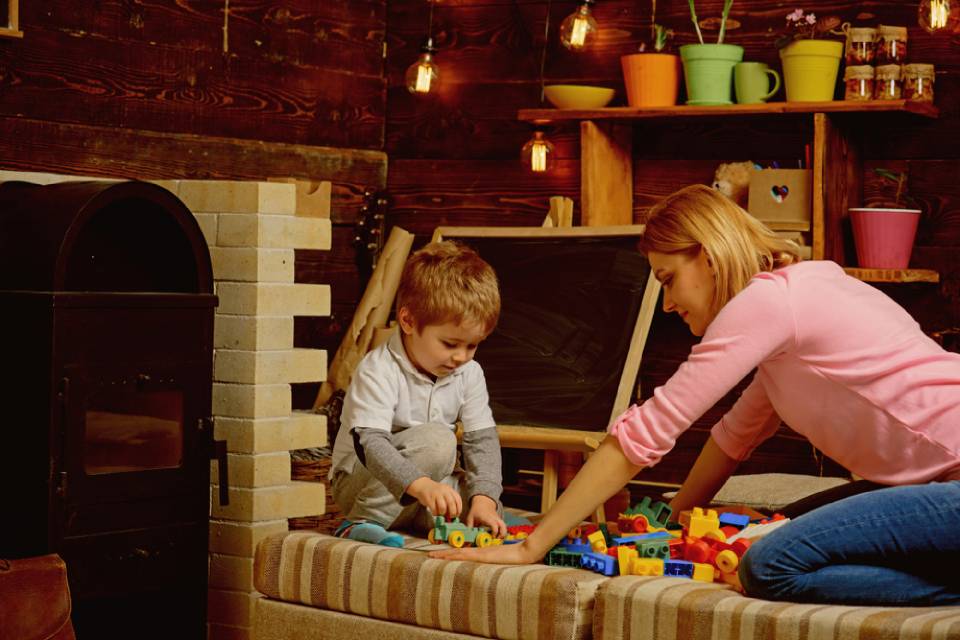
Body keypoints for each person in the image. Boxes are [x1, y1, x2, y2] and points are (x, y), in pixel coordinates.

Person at [431, 184, 960, 606]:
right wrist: (661, 525)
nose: (666, 303)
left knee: (768, 566)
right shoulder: (789, 318)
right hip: (931, 486)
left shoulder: (770, 302)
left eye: (668, 278)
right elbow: (735, 437)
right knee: (773, 528)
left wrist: (530, 547)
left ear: (707, 257)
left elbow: (653, 428)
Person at [329, 240, 507, 547]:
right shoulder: (378, 368)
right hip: (362, 482)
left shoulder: (469, 372)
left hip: (424, 488)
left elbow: (482, 441)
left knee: (478, 500)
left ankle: (431, 519)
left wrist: (485, 499)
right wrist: (419, 485)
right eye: (450, 344)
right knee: (439, 441)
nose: (462, 356)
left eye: (472, 345)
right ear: (408, 321)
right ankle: (361, 521)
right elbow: (371, 445)